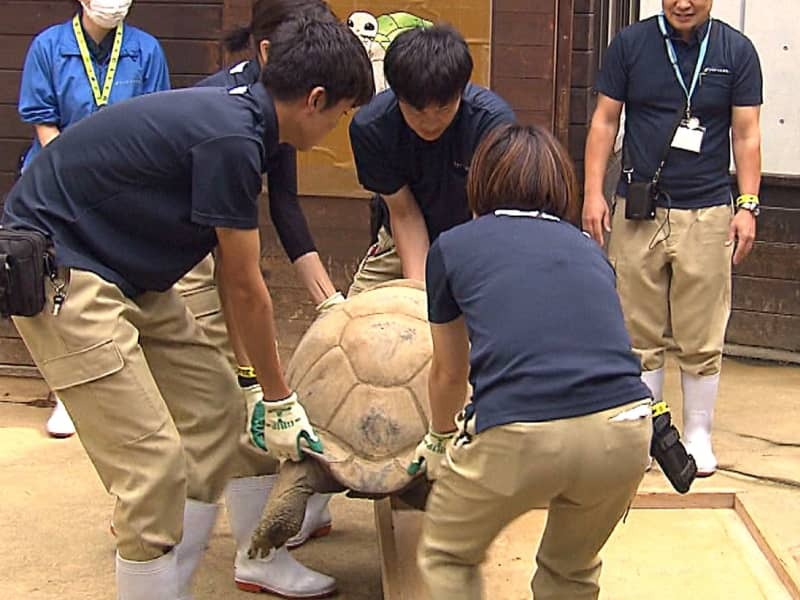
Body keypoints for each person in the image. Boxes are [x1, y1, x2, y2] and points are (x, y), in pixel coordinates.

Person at [3, 16, 373, 600]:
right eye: (340, 114)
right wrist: (278, 399)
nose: (335, 129)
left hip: (131, 275)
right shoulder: (232, 136)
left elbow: (232, 273)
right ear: (315, 99)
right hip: (63, 271)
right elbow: (247, 284)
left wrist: (252, 385)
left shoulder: (246, 120)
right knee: (152, 470)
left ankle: (181, 581)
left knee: (220, 414)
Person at [409, 124, 652, 600]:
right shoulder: (589, 248)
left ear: (479, 184)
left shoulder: (453, 247)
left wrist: (440, 441)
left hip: (520, 430)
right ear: (561, 187)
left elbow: (450, 372)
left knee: (447, 555)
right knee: (571, 572)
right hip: (626, 430)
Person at [171, 2, 343, 587]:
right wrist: (260, 380)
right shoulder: (229, 114)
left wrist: (329, 299)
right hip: (187, 266)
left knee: (245, 415)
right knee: (217, 405)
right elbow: (237, 274)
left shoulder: (280, 111)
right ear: (270, 50)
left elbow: (286, 208)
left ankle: (257, 555)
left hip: (226, 260)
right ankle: (152, 539)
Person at [582, 0, 763, 476]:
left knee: (701, 330)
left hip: (708, 210)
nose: (683, 2)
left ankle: (698, 432)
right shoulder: (630, 44)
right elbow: (604, 120)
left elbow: (746, 134)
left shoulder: (736, 50)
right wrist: (593, 194)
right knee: (635, 329)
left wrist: (748, 204)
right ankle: (646, 434)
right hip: (640, 206)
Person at [17, 0, 169, 438]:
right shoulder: (48, 47)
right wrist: (76, 180)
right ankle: (68, 393)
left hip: (124, 184)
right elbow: (44, 125)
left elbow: (153, 122)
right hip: (58, 181)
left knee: (116, 285)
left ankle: (124, 390)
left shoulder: (146, 49)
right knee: (64, 288)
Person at [347, 25, 515, 294]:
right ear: (397, 94)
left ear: (461, 91)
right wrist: (421, 297)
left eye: (443, 108)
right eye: (416, 110)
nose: (430, 122)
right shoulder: (372, 127)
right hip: (402, 237)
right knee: (355, 311)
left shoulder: (492, 125)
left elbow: (485, 219)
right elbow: (404, 214)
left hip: (478, 232)